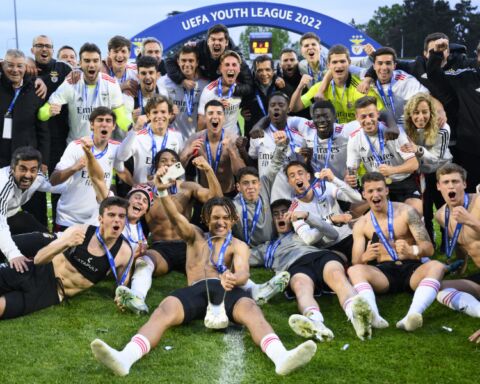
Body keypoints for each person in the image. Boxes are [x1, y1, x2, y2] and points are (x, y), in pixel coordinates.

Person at [91, 174, 317, 376]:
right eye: (215, 218)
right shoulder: (195, 237)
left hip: (227, 290)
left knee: (251, 309)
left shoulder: (238, 245)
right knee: (165, 309)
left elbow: (244, 272)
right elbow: (177, 218)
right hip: (195, 290)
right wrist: (161, 192)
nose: (220, 222)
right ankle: (125, 358)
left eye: (225, 218)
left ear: (232, 221)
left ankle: (281, 357)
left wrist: (233, 279)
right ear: (206, 220)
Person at [115, 148, 223, 314]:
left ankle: (245, 292)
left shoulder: (188, 187)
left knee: (212, 264)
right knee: (143, 262)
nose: (169, 164)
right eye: (164, 161)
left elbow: (216, 200)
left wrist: (208, 171)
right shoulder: (145, 191)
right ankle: (137, 298)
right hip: (161, 247)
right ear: (156, 166)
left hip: (188, 245)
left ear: (178, 165)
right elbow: (128, 211)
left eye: (173, 161)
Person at [250, 199, 375, 341]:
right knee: (300, 287)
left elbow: (332, 234)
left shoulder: (304, 233)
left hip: (320, 256)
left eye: (284, 212)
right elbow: (242, 257)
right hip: (294, 266)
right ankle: (316, 325)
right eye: (276, 214)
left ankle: (357, 317)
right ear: (271, 220)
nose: (280, 216)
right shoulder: (266, 248)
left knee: (336, 275)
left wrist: (308, 217)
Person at [0, 196, 133, 320]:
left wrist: (123, 297)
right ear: (100, 219)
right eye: (111, 215)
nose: (117, 220)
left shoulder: (124, 252)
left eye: (122, 216)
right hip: (36, 271)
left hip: (49, 293)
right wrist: (66, 242)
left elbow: (122, 288)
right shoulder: (81, 231)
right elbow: (38, 259)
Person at [348, 172, 444, 332]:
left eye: (379, 189)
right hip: (384, 274)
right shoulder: (362, 224)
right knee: (354, 270)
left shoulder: (407, 212)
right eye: (370, 191)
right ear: (364, 195)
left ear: (387, 190)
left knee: (437, 266)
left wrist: (412, 250)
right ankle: (374, 316)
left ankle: (412, 315)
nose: (375, 194)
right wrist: (365, 257)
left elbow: (429, 249)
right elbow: (355, 261)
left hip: (413, 269)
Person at [38, 42, 131, 144]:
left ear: (100, 62)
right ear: (80, 63)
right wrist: (49, 111)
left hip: (103, 146)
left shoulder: (111, 84)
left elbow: (121, 117)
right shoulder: (71, 83)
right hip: (77, 146)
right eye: (87, 61)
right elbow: (42, 114)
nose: (91, 65)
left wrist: (132, 127)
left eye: (95, 61)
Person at [50, 107, 125, 231]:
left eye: (108, 121)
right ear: (91, 125)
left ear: (114, 126)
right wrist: (74, 168)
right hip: (69, 218)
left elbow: (123, 173)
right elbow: (53, 180)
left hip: (97, 220)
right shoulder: (76, 146)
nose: (104, 124)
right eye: (100, 120)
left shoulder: (117, 148)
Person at [346, 96, 422, 214]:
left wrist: (392, 170)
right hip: (376, 186)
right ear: (357, 117)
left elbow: (414, 164)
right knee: (354, 212)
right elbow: (351, 168)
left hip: (402, 182)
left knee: (414, 211)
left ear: (377, 114)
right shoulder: (354, 138)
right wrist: (350, 177)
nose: (368, 120)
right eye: (363, 117)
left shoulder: (394, 132)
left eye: (371, 115)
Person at [27, 35, 73, 226]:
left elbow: (80, 74)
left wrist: (76, 71)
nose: (44, 49)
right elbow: (7, 63)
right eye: (39, 46)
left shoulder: (62, 69)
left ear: (53, 50)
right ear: (32, 50)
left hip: (59, 139)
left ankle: (58, 231)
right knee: (33, 189)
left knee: (58, 185)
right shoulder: (26, 68)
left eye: (48, 46)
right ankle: (36, 231)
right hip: (32, 138)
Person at [427, 37, 480, 191]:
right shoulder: (465, 77)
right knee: (471, 196)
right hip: (471, 150)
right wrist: (436, 54)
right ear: (477, 56)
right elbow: (435, 77)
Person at [0, 146, 64, 272]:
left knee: (46, 238)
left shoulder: (38, 177)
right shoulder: (3, 184)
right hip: (1, 221)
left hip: (11, 217)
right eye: (22, 169)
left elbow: (52, 186)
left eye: (32, 170)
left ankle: (55, 265)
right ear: (12, 169)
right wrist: (14, 255)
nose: (28, 175)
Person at [401, 93, 452, 244]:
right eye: (416, 112)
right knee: (425, 209)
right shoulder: (404, 124)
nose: (421, 117)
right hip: (420, 172)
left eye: (425, 112)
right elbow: (387, 119)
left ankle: (447, 239)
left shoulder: (442, 128)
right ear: (410, 114)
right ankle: (429, 240)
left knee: (442, 206)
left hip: (440, 170)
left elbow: (436, 158)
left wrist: (418, 149)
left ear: (431, 112)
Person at [286, 161, 362, 262]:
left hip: (349, 238)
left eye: (300, 173)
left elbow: (357, 198)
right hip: (328, 250)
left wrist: (334, 179)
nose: (297, 177)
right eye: (292, 176)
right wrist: (331, 220)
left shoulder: (325, 186)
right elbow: (309, 239)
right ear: (289, 182)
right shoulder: (294, 210)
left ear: (308, 176)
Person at [290, 45, 383, 124]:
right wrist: (300, 87)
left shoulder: (361, 87)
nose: (339, 66)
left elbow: (381, 113)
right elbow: (294, 108)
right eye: (334, 62)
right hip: (333, 139)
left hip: (357, 136)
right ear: (328, 65)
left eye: (342, 61)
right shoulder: (320, 88)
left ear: (349, 63)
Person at [434, 163, 480, 318]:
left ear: (465, 184)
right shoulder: (441, 215)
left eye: (455, 181)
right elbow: (460, 242)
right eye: (446, 182)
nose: (451, 186)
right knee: (437, 288)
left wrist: (471, 221)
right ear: (439, 186)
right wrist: (461, 264)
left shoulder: (479, 203)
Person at [165, 24, 252, 98]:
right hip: (202, 93)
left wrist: (232, 89)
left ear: (226, 42)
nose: (216, 43)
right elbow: (169, 62)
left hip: (227, 98)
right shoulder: (198, 48)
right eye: (213, 39)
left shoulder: (236, 58)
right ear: (207, 41)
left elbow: (249, 85)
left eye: (220, 40)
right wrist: (182, 80)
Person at [181, 100, 245, 196]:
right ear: (205, 118)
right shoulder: (195, 138)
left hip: (228, 194)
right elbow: (178, 169)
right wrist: (187, 154)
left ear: (224, 118)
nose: (215, 116)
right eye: (210, 113)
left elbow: (241, 174)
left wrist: (232, 152)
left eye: (219, 113)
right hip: (205, 195)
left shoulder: (232, 139)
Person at [117, 95, 184, 186]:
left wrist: (160, 182)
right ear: (148, 115)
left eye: (163, 112)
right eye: (155, 112)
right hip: (144, 195)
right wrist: (135, 186)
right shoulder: (138, 136)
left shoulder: (177, 136)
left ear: (169, 114)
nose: (159, 116)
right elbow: (121, 157)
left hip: (167, 193)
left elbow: (179, 167)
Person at [0, 49, 49, 169]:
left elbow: (43, 130)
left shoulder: (36, 90)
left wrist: (44, 161)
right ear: (3, 65)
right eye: (10, 65)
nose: (15, 70)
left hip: (27, 159)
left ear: (25, 67)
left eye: (19, 66)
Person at [157, 45, 209, 141]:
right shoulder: (164, 81)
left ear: (197, 62)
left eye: (191, 60)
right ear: (178, 61)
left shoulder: (205, 84)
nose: (187, 64)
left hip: (196, 138)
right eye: (183, 60)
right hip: (172, 139)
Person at [370, 47, 430, 128]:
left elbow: (427, 97)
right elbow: (350, 68)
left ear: (394, 66)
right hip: (374, 126)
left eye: (388, 63)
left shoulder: (405, 80)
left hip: (402, 127)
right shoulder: (365, 79)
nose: (384, 68)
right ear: (374, 66)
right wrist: (366, 79)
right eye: (380, 63)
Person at [241, 55, 292, 137]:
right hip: (255, 134)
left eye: (267, 69)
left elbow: (291, 106)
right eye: (260, 70)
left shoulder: (281, 84)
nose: (264, 74)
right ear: (254, 71)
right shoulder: (249, 86)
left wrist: (284, 89)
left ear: (273, 71)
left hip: (278, 134)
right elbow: (241, 103)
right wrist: (242, 111)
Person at [197, 50, 243, 136]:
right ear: (220, 69)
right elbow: (200, 125)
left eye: (234, 65)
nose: (230, 68)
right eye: (227, 65)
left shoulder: (241, 88)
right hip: (214, 141)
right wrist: (215, 108)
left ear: (239, 69)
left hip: (233, 139)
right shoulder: (209, 91)